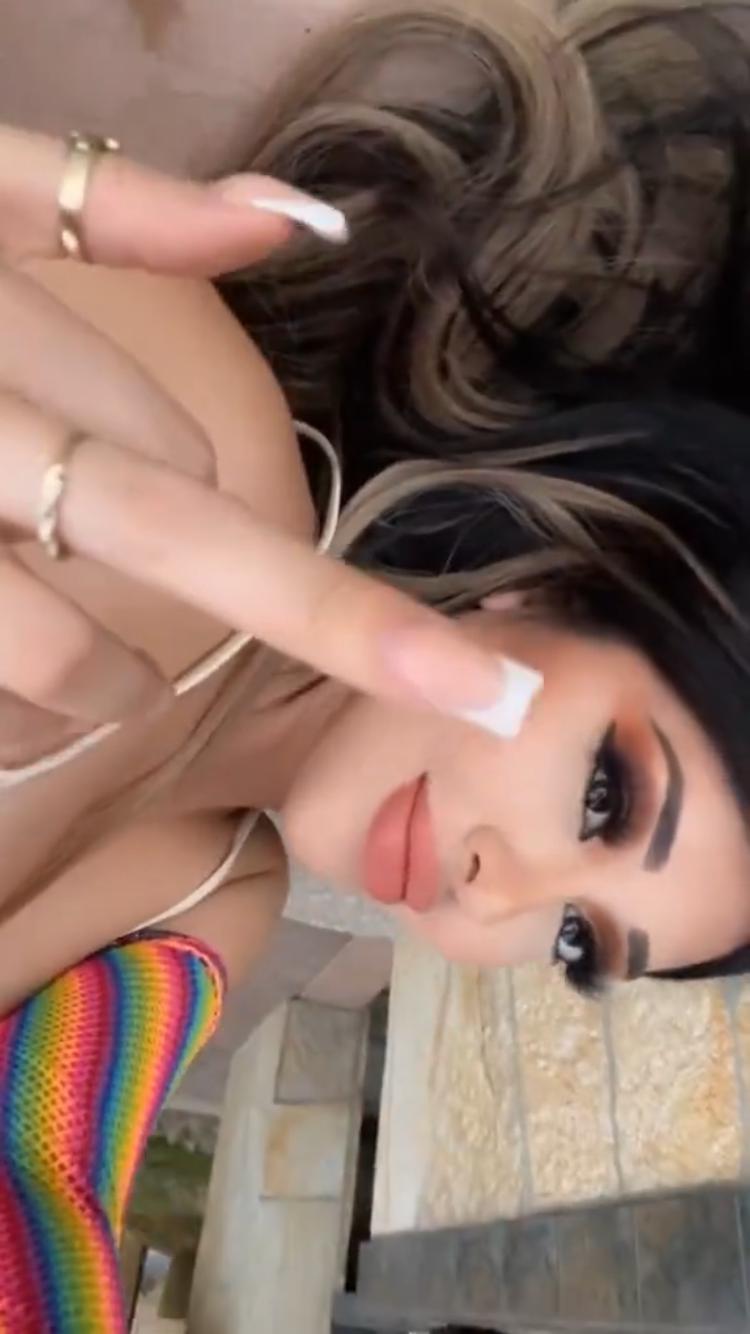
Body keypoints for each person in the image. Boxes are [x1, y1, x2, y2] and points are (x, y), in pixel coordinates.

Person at [4, 0, 750, 1326]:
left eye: (576, 940)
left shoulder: (208, 907)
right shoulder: (194, 451)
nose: (498, 894)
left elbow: (35, 1211)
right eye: (601, 797)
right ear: (553, 579)